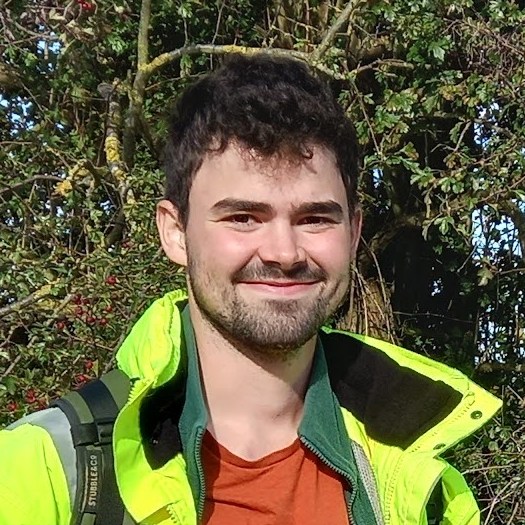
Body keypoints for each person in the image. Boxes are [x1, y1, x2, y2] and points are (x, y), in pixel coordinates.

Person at [0, 54, 501, 525]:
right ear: (175, 232)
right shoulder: (43, 473)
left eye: (314, 219)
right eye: (243, 217)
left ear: (353, 234)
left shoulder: (425, 493)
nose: (284, 252)